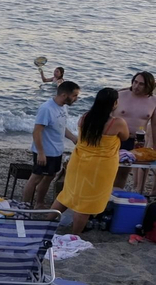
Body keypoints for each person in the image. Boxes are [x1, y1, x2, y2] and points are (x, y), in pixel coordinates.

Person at [53, 88, 129, 234]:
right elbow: (125, 137)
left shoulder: (84, 117)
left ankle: (45, 223)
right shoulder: (117, 123)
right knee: (86, 205)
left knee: (67, 195)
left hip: (78, 162)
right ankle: (74, 235)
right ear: (114, 103)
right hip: (99, 168)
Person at [21, 81, 81, 208]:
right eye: (74, 95)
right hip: (45, 152)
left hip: (56, 151)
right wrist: (41, 153)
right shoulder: (46, 109)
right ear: (64, 95)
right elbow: (37, 132)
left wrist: (73, 138)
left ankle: (39, 203)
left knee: (50, 176)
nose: (76, 98)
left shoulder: (63, 107)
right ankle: (24, 206)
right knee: (36, 178)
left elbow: (61, 127)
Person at [112, 71, 156, 190]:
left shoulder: (153, 101)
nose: (136, 86)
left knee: (123, 173)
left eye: (141, 84)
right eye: (135, 82)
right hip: (114, 139)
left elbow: (154, 126)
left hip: (136, 141)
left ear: (149, 85)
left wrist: (155, 147)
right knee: (109, 170)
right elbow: (106, 117)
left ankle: (116, 196)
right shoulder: (120, 95)